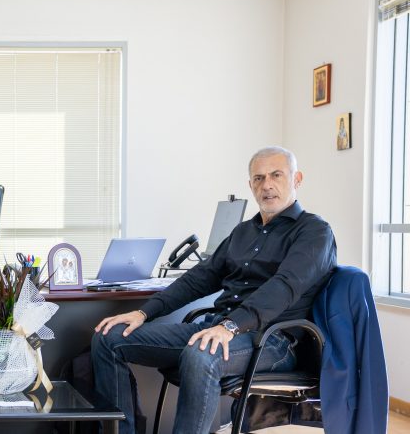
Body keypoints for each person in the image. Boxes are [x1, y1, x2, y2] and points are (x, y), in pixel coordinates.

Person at [91, 146, 336, 434]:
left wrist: (231, 326)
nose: (267, 185)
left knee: (201, 353)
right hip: (217, 329)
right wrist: (144, 313)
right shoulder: (242, 232)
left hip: (273, 340)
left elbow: (284, 287)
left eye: (276, 175)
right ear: (250, 185)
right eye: (258, 178)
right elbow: (199, 278)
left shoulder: (315, 231)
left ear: (297, 179)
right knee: (109, 337)